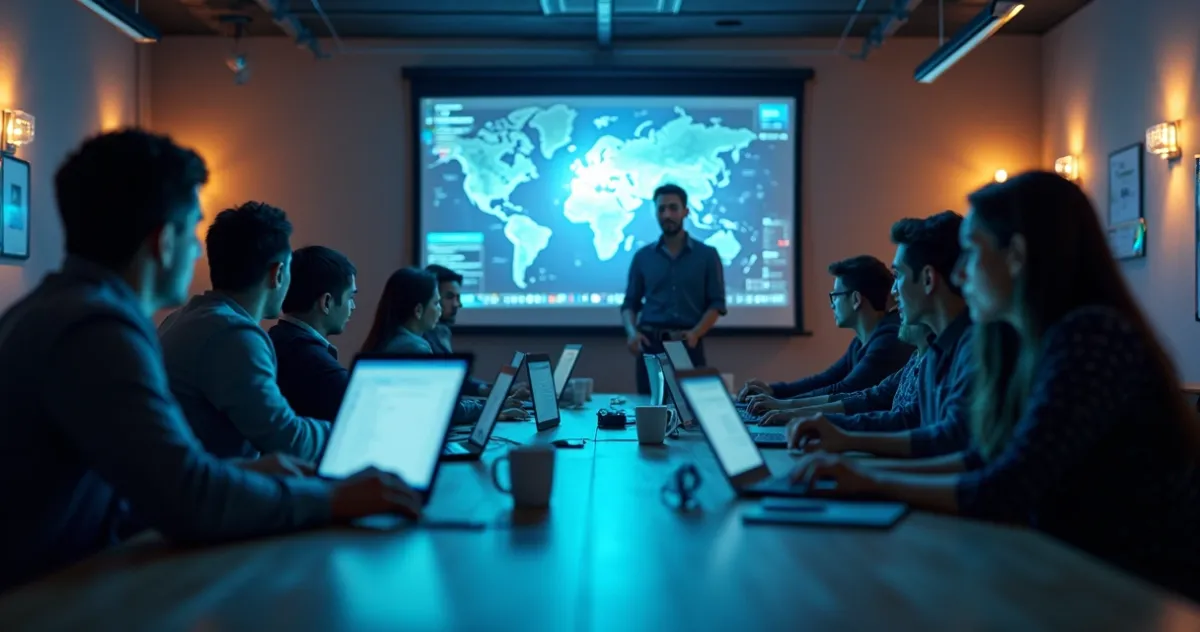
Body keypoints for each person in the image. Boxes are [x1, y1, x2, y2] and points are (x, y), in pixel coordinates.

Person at [0, 130, 419, 593]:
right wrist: (334, 498)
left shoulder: (49, 310)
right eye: (193, 232)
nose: (198, 252)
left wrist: (238, 474)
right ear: (163, 241)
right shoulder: (97, 330)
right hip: (45, 599)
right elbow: (187, 502)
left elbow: (139, 486)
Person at [787, 171, 1200, 600]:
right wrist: (861, 473)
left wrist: (869, 479)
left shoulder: (1090, 336)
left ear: (1017, 255)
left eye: (970, 252)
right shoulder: (1033, 344)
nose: (960, 274)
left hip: (1137, 594)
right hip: (1076, 574)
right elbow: (982, 458)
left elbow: (1006, 487)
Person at [786, 211, 974, 458]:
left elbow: (949, 446)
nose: (893, 292)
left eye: (898, 276)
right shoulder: (934, 350)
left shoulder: (975, 348)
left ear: (928, 279)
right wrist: (829, 428)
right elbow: (906, 419)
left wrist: (848, 446)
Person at [159, 202, 331, 461]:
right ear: (278, 273)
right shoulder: (232, 335)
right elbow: (287, 440)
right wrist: (346, 431)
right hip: (205, 496)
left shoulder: (180, 319)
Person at [739, 255, 912, 409]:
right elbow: (827, 379)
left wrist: (782, 405)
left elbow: (845, 389)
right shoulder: (862, 340)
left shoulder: (889, 340)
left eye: (835, 296)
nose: (832, 304)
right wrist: (773, 391)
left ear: (855, 300)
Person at [361, 267, 526, 423]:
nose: (439, 309)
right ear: (418, 310)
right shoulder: (413, 348)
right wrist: (492, 408)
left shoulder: (389, 339)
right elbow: (443, 408)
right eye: (436, 303)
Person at [622, 183, 727, 394]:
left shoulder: (707, 255)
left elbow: (716, 304)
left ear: (685, 211)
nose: (667, 214)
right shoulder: (643, 257)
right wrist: (632, 333)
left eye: (673, 208)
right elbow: (629, 304)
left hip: (688, 344)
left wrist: (696, 333)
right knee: (651, 410)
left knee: (693, 411)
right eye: (661, 209)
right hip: (650, 346)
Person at [757, 322, 930, 426]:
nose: (894, 292)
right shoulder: (916, 356)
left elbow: (902, 422)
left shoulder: (889, 341)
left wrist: (799, 412)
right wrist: (787, 406)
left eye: (835, 296)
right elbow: (867, 396)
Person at [268, 246, 356, 422]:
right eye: (350, 297)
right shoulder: (323, 371)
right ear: (327, 302)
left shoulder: (271, 340)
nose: (353, 307)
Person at [423, 263, 528, 399]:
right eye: (449, 297)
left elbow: (460, 384)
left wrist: (498, 390)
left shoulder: (442, 332)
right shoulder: (422, 339)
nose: (457, 304)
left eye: (458, 297)